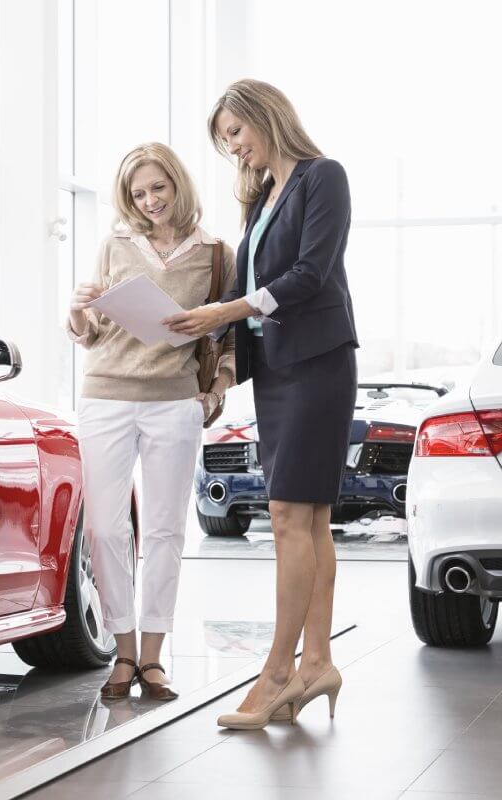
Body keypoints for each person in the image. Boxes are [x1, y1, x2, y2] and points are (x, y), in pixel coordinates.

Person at [164, 79, 358, 729]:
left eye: (236, 133)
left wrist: (231, 308)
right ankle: (318, 664)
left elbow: (310, 273)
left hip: (317, 363)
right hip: (277, 369)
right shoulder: (264, 198)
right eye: (224, 140)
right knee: (309, 520)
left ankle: (277, 671)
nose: (233, 148)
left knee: (286, 516)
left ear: (265, 118)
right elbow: (253, 289)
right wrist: (209, 336)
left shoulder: (321, 177)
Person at [67, 142, 236, 701]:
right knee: (106, 529)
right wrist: (76, 310)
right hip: (106, 396)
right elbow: (91, 328)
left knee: (165, 531)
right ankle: (123, 650)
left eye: (158, 188)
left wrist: (214, 393)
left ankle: (154, 657)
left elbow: (227, 334)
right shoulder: (115, 243)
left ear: (177, 184)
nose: (150, 201)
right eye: (138, 193)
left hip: (174, 402)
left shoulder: (215, 253)